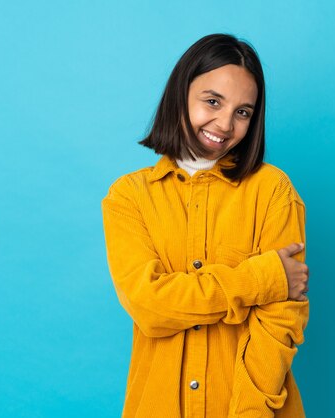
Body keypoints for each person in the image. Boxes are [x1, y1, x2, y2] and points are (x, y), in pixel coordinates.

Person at [102, 33, 310, 417]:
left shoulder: (272, 190)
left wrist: (248, 413)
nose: (225, 124)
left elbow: (280, 319)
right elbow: (149, 306)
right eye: (212, 101)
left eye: (243, 112)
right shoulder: (128, 197)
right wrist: (262, 279)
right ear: (181, 93)